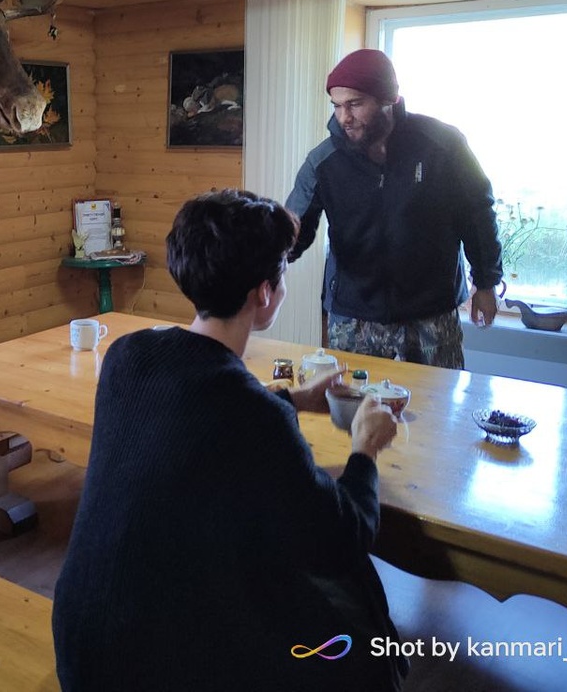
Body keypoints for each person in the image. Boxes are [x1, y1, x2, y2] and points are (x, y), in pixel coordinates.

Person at [52, 189, 406, 692]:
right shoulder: (252, 415)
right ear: (263, 293)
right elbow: (340, 542)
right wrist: (364, 449)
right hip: (158, 670)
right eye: (282, 271)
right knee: (357, 646)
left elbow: (206, 410)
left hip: (81, 645)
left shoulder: (127, 358)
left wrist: (292, 398)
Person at [286, 48, 504, 368]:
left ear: (389, 98)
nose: (343, 117)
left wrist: (486, 282)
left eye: (355, 104)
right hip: (353, 316)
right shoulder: (324, 161)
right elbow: (291, 227)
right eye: (337, 106)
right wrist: (262, 271)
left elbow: (477, 213)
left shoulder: (443, 145)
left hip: (431, 312)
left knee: (436, 411)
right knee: (353, 412)